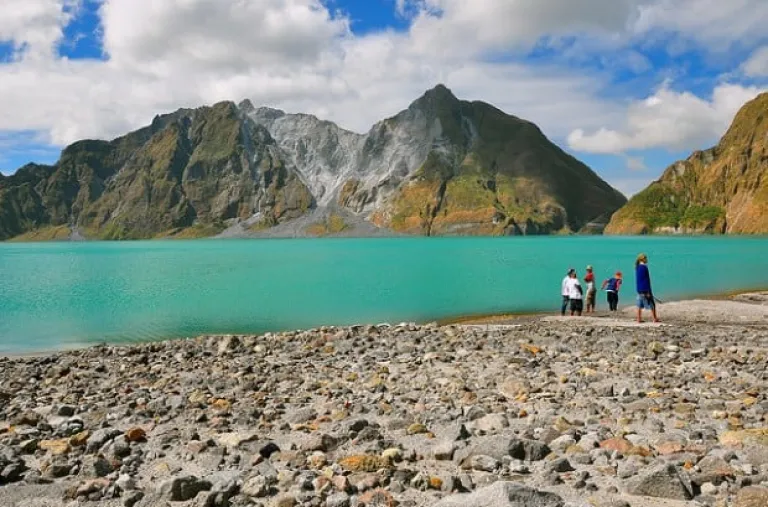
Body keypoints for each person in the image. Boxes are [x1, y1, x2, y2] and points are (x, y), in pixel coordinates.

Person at [635, 253, 660, 323]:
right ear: (642, 259)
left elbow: (640, 280)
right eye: (645, 258)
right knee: (652, 304)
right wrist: (648, 291)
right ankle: (654, 319)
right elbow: (646, 280)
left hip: (639, 289)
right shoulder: (644, 267)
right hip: (645, 289)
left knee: (639, 305)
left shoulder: (637, 267)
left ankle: (639, 319)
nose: (647, 259)